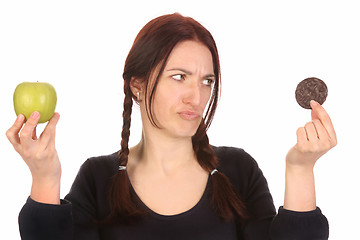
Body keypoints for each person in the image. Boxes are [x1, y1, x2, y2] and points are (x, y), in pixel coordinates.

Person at [6, 13, 337, 240]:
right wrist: (45, 177)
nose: (196, 96)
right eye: (179, 77)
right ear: (137, 85)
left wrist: (300, 169)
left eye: (207, 81)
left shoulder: (238, 171)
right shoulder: (98, 178)